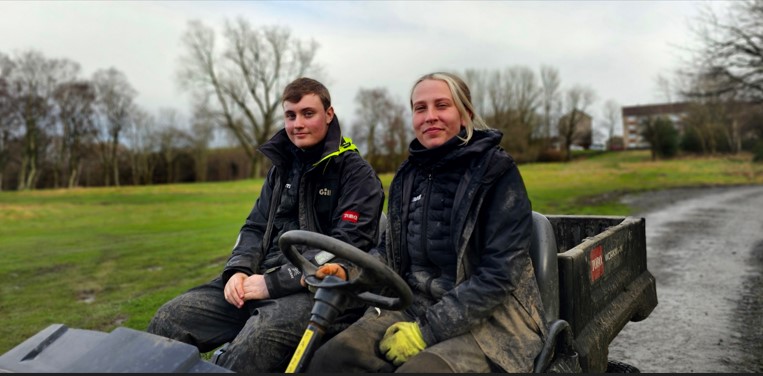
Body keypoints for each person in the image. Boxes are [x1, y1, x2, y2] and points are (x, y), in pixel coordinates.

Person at [306, 72, 548, 373]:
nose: (430, 116)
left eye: (441, 106)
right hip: (412, 305)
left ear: (465, 115)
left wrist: (427, 333)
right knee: (330, 359)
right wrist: (348, 270)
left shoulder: (497, 174)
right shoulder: (407, 176)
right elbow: (388, 256)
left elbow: (498, 276)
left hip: (491, 320)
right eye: (420, 108)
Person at [147, 77, 385, 373]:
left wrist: (272, 283)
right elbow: (254, 228)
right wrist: (238, 270)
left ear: (329, 114)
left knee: (255, 340)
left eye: (307, 113)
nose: (298, 123)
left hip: (317, 290)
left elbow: (347, 248)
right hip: (256, 280)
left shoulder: (357, 175)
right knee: (169, 318)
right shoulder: (280, 171)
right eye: (290, 115)